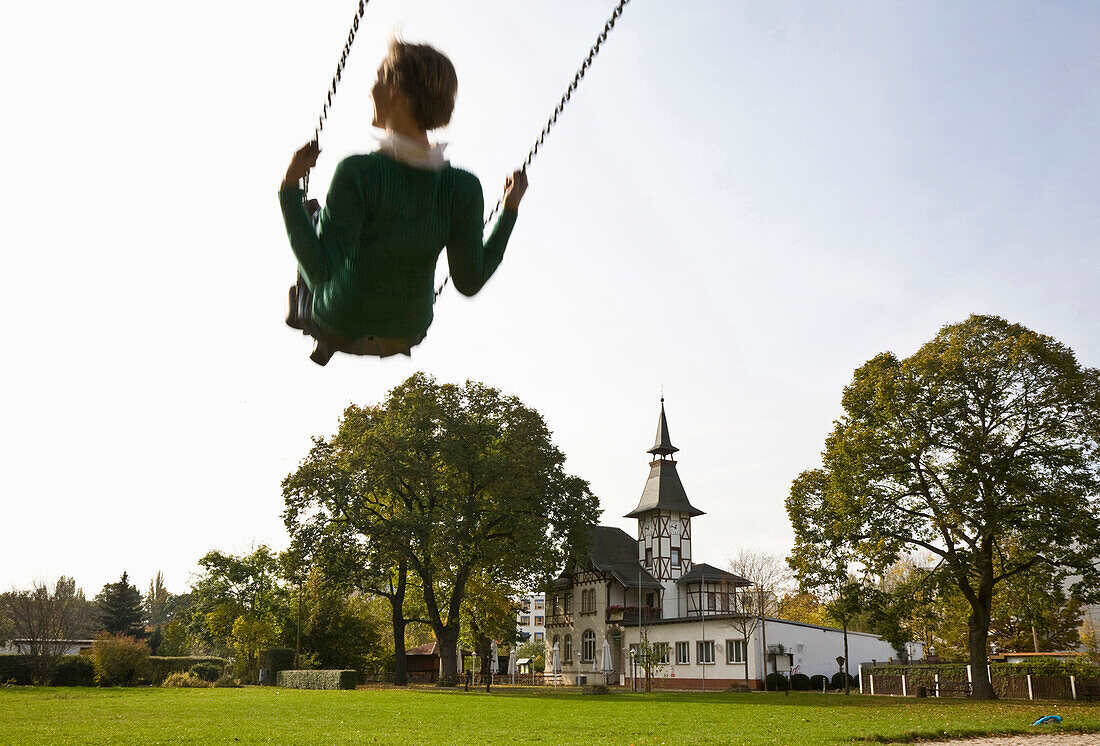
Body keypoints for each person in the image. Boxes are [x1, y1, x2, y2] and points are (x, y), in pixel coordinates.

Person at [279, 39, 528, 365]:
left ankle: (306, 315)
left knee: (310, 215)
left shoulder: (359, 172)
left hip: (338, 321)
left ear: (395, 89)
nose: (371, 89)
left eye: (379, 77)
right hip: (406, 331)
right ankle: (322, 329)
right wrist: (509, 210)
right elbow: (470, 282)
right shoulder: (464, 188)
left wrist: (289, 187)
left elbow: (320, 270)